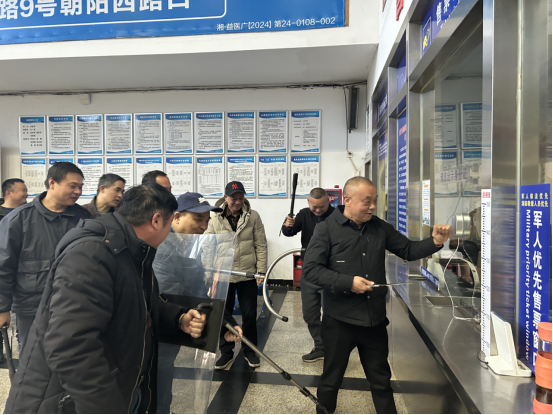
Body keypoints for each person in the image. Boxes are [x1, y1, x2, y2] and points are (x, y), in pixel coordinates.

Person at [5, 184, 209, 414]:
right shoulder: (92, 253)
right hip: (66, 401)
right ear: (156, 220)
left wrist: (178, 318)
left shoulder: (132, 251)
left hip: (113, 387)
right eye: (170, 222)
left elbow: (137, 304)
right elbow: (72, 345)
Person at [303, 177, 451, 415]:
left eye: (375, 201)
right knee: (331, 380)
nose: (372, 206)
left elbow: (407, 249)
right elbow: (311, 270)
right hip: (339, 321)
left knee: (381, 382)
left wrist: (435, 242)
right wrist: (348, 282)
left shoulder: (379, 227)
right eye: (367, 201)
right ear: (348, 200)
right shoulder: (326, 228)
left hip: (374, 321)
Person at [153, 192, 243, 414]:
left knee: (164, 376)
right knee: (155, 379)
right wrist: (204, 319)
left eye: (206, 220)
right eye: (198, 219)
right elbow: (172, 294)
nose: (204, 226)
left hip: (175, 328)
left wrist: (226, 324)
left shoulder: (189, 246)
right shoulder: (163, 248)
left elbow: (201, 293)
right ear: (176, 217)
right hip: (159, 327)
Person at [0, 162, 92, 353]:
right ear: (52, 183)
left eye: (80, 187)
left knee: (71, 357)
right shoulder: (19, 219)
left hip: (74, 304)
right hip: (32, 307)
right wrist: (2, 308)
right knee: (32, 358)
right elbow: (4, 266)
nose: (78, 191)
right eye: (72, 186)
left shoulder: (83, 218)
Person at [205, 181, 268, 370]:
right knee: (223, 316)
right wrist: (208, 273)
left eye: (241, 198)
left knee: (249, 315)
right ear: (225, 198)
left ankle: (250, 351)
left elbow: (261, 244)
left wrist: (261, 270)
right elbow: (208, 245)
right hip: (223, 274)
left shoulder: (253, 216)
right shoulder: (215, 218)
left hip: (246, 274)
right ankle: (226, 352)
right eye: (234, 199)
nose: (238, 202)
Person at [281, 188, 335, 363]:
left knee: (332, 314)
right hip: (310, 272)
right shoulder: (304, 214)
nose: (318, 210)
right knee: (310, 314)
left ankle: (334, 347)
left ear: (328, 201)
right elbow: (289, 232)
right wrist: (287, 224)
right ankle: (320, 346)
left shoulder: (337, 215)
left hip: (331, 272)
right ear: (308, 202)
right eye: (314, 207)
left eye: (322, 207)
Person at [0, 178, 28, 363]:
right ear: (9, 193)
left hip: (22, 271)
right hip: (3, 267)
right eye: (22, 190)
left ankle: (21, 347)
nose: (26, 193)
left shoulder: (28, 214)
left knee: (21, 316)